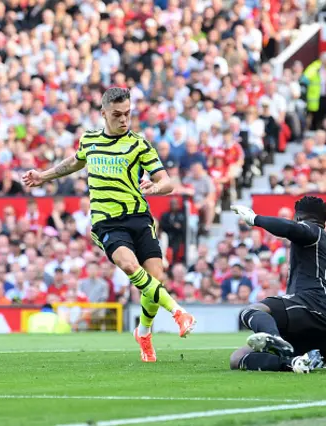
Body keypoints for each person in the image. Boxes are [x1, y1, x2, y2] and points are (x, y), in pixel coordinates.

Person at [21, 87, 196, 362]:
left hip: (139, 217)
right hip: (107, 222)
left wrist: (155, 187)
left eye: (128, 114)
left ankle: (144, 332)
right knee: (129, 266)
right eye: (117, 115)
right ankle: (178, 312)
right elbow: (74, 163)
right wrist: (43, 176)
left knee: (155, 279)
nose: (124, 120)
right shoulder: (89, 140)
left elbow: (168, 182)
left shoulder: (139, 144)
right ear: (103, 113)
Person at [229, 196, 326, 373]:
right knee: (237, 359)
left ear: (299, 218)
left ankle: (275, 340)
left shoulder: (313, 232)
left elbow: (291, 228)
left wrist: (255, 219)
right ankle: (294, 363)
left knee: (250, 311)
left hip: (312, 308)